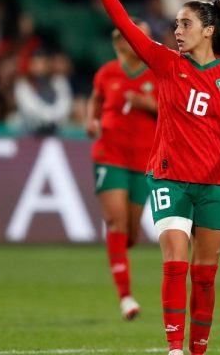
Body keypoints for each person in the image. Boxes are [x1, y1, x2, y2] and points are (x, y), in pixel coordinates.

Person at [81, 0, 220, 355]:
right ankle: (175, 350)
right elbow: (125, 24)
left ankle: (197, 350)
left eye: (185, 23)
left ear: (209, 30)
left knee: (206, 275)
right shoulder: (165, 63)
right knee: (175, 261)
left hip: (215, 182)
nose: (176, 30)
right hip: (169, 177)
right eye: (176, 23)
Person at [86, 22, 158, 320]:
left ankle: (120, 253)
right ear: (122, 42)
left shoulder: (157, 72)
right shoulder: (107, 73)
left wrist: (147, 104)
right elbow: (96, 100)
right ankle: (126, 297)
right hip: (109, 154)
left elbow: (174, 110)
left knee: (129, 233)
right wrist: (91, 120)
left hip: (143, 160)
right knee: (115, 223)